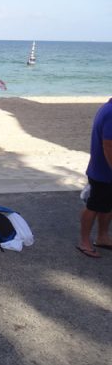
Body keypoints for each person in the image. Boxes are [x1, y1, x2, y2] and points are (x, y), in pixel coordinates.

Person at [77, 98, 112, 258]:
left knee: (107, 205)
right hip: (103, 171)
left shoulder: (107, 108)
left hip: (103, 170)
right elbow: (108, 145)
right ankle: (84, 242)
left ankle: (102, 237)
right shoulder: (110, 112)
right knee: (94, 206)